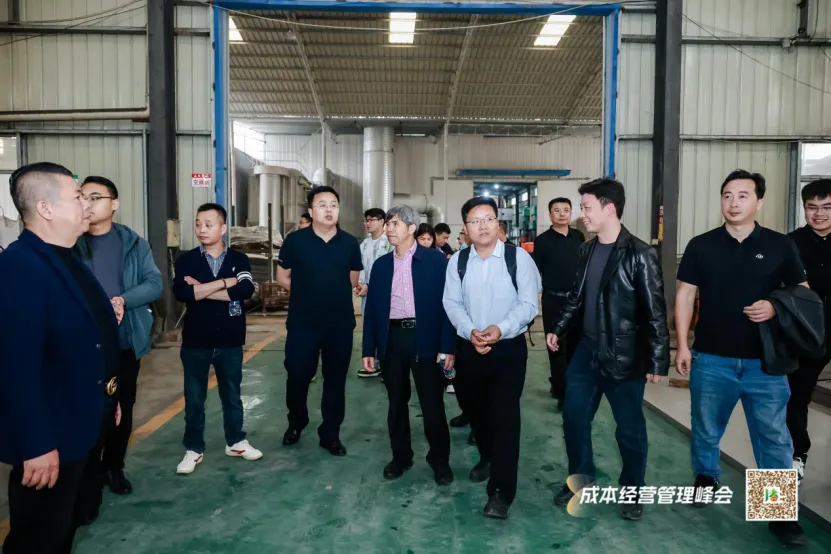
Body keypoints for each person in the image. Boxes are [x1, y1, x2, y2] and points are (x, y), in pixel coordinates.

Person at [675, 170, 808, 547]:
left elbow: (803, 293)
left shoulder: (781, 245)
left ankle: (777, 512)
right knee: (705, 426)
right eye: (727, 195)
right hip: (711, 358)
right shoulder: (702, 245)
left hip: (765, 363)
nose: (733, 203)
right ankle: (706, 476)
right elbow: (685, 294)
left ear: (759, 202)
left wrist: (775, 305)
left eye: (743, 196)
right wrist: (683, 345)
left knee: (772, 437)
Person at [0, 162, 121, 553]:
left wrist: (109, 397)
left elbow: (91, 340)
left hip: (83, 423)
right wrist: (34, 444)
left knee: (65, 529)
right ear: (46, 208)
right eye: (77, 197)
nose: (87, 204)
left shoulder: (69, 259)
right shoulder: (20, 267)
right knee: (39, 539)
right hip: (51, 437)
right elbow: (15, 367)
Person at [547, 178, 669, 522]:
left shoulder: (640, 254)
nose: (581, 214)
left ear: (609, 208)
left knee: (629, 428)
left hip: (625, 356)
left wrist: (658, 361)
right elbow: (576, 296)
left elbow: (655, 311)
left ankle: (633, 490)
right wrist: (558, 327)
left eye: (586, 207)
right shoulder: (586, 249)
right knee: (574, 418)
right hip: (586, 350)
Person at [443, 196, 541, 519]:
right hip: (469, 348)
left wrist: (500, 329)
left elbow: (528, 304)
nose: (482, 226)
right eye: (475, 221)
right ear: (466, 227)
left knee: (505, 417)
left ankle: (500, 493)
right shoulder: (458, 261)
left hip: (508, 350)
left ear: (498, 223)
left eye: (488, 219)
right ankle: (487, 456)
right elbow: (451, 303)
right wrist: (470, 331)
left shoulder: (518, 258)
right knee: (476, 411)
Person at [75, 176, 163, 496]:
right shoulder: (71, 243)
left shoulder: (134, 244)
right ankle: (83, 473)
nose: (87, 203)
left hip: (123, 342)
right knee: (84, 410)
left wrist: (123, 300)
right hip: (81, 344)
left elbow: (154, 284)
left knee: (121, 408)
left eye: (95, 197)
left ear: (114, 204)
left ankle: (113, 466)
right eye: (82, 197)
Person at [363, 206, 456, 485]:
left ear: (412, 228)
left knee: (432, 404)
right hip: (392, 339)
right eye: (388, 224)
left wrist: (447, 346)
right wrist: (369, 349)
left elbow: (449, 306)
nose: (389, 229)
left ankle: (440, 461)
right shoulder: (381, 265)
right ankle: (401, 457)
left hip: (425, 338)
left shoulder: (435, 261)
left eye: (395, 224)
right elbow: (372, 310)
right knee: (396, 403)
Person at [172, 203, 261, 475]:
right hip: (196, 341)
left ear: (223, 228)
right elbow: (182, 293)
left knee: (232, 395)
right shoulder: (186, 260)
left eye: (208, 224)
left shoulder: (239, 259)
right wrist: (225, 282)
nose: (202, 229)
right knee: (194, 398)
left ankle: (235, 441)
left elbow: (246, 289)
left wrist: (201, 289)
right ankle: (193, 448)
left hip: (230, 340)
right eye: (198, 224)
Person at [277, 186, 363, 456]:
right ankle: (297, 421)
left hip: (339, 324)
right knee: (297, 374)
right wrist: (307, 292)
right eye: (322, 205)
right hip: (303, 323)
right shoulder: (295, 241)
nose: (329, 210)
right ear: (311, 211)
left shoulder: (349, 243)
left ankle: (330, 433)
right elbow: (282, 277)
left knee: (335, 380)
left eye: (333, 205)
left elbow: (352, 279)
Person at [787, 178, 831, 483]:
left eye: (827, 207)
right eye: (812, 207)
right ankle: (796, 455)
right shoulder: (790, 244)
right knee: (795, 397)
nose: (819, 213)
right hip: (805, 335)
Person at [533, 197, 586, 409]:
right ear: (550, 215)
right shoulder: (542, 241)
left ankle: (569, 389)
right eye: (557, 210)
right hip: (553, 300)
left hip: (577, 301)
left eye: (566, 210)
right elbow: (535, 272)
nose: (562, 214)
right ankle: (561, 390)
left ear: (571, 213)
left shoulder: (579, 237)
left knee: (574, 346)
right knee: (555, 347)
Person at [356, 207, 393, 378]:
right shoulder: (364, 244)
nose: (368, 223)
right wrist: (360, 284)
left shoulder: (389, 244)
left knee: (385, 327)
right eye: (366, 220)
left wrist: (371, 286)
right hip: (367, 293)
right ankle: (374, 363)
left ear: (382, 222)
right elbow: (359, 267)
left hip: (386, 294)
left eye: (372, 220)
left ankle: (386, 365)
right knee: (370, 326)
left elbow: (390, 270)